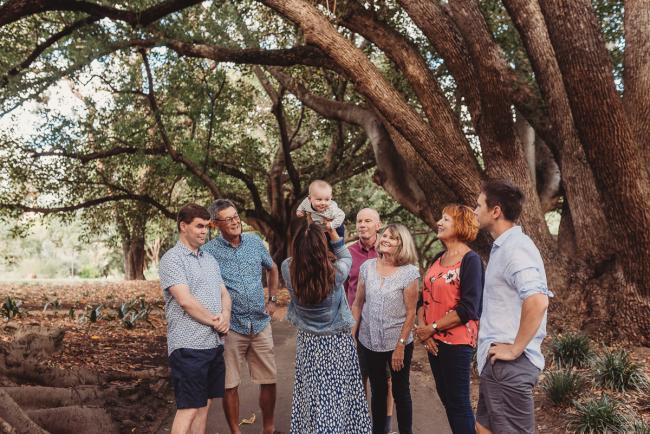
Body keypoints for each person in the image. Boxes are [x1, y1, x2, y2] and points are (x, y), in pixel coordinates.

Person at [473, 180, 553, 434]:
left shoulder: (515, 249)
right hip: (496, 363)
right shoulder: (503, 248)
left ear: (495, 211)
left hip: (509, 365)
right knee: (483, 427)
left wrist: (515, 348)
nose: (474, 211)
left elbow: (538, 299)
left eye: (478, 205)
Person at [281, 222, 371, 433]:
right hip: (336, 342)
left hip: (309, 342)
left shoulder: (288, 268)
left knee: (313, 394)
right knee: (338, 394)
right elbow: (346, 256)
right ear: (323, 248)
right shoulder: (336, 272)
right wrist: (332, 233)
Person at [202, 199, 279, 434]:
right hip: (231, 327)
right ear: (215, 224)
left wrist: (272, 300)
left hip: (259, 323)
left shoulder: (255, 242)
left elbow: (272, 268)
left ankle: (268, 428)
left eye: (236, 217)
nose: (236, 222)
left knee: (269, 379)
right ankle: (236, 431)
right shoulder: (208, 252)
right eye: (229, 219)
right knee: (230, 384)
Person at [159, 203, 232, 434]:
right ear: (183, 226)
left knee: (204, 407)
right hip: (188, 346)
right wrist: (215, 321)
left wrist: (226, 317)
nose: (204, 231)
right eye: (199, 226)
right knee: (189, 408)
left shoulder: (209, 259)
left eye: (207, 227)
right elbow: (185, 300)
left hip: (213, 344)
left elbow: (224, 294)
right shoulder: (172, 259)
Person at [414, 204, 484, 434]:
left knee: (459, 403)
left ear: (460, 226)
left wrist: (431, 328)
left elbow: (469, 309)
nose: (439, 223)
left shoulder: (471, 260)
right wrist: (425, 332)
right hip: (434, 342)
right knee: (447, 400)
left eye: (445, 219)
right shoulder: (438, 257)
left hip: (457, 343)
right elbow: (422, 299)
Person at [352, 224, 420, 434]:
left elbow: (411, 313)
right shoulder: (367, 267)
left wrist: (400, 346)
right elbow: (357, 303)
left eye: (393, 238)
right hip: (369, 341)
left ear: (402, 244)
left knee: (400, 392)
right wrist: (353, 336)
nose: (385, 239)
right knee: (379, 391)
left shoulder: (409, 273)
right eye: (385, 235)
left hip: (397, 343)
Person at [345, 208, 395, 433]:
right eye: (359, 221)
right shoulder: (347, 253)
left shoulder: (388, 251)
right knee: (357, 380)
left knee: (385, 382)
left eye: (368, 221)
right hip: (355, 326)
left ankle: (382, 428)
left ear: (378, 225)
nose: (362, 225)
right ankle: (360, 426)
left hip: (382, 328)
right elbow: (344, 290)